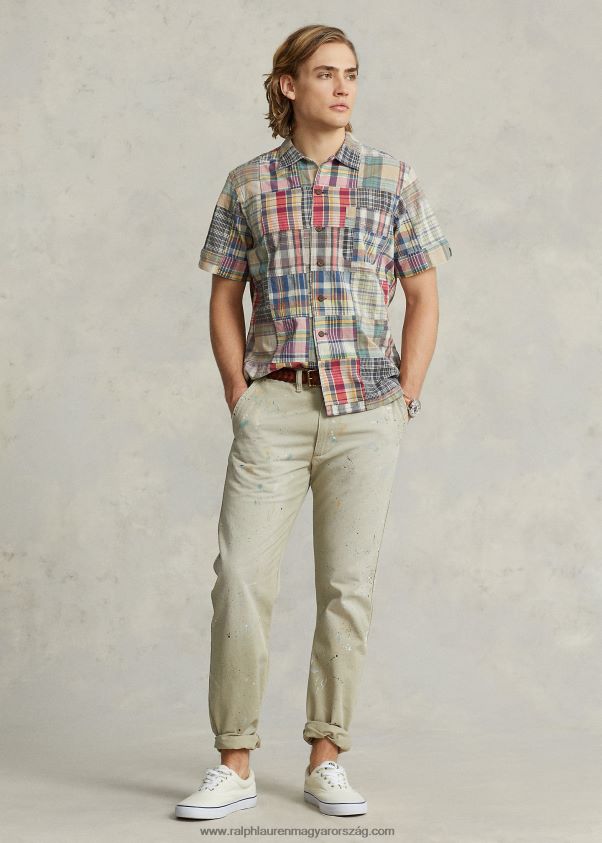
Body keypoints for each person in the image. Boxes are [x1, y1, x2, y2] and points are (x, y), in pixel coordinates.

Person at [175, 23, 452, 821]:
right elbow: (224, 295)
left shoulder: (392, 179)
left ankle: (327, 755)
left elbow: (424, 294)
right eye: (325, 73)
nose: (342, 87)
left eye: (351, 74)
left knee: (346, 587)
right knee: (240, 578)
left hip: (366, 410)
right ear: (288, 85)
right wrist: (240, 393)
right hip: (275, 406)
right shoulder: (247, 185)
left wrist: (405, 394)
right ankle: (234, 761)